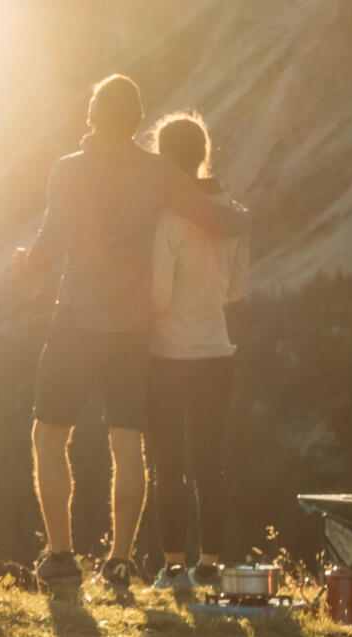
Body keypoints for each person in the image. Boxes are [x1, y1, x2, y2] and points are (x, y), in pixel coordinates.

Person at [9, 75, 249, 592]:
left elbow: (51, 246)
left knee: (49, 434)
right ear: (138, 121)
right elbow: (210, 217)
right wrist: (242, 220)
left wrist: (25, 266)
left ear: (93, 116)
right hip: (133, 330)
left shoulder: (67, 171)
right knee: (127, 442)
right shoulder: (159, 173)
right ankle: (119, 562)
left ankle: (62, 557)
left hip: (76, 320)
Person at [144, 111, 248, 591]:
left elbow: (159, 300)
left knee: (168, 466)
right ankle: (209, 566)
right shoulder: (234, 215)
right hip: (216, 356)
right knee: (210, 462)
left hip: (167, 357)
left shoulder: (166, 219)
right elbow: (236, 291)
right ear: (204, 156)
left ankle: (173, 568)